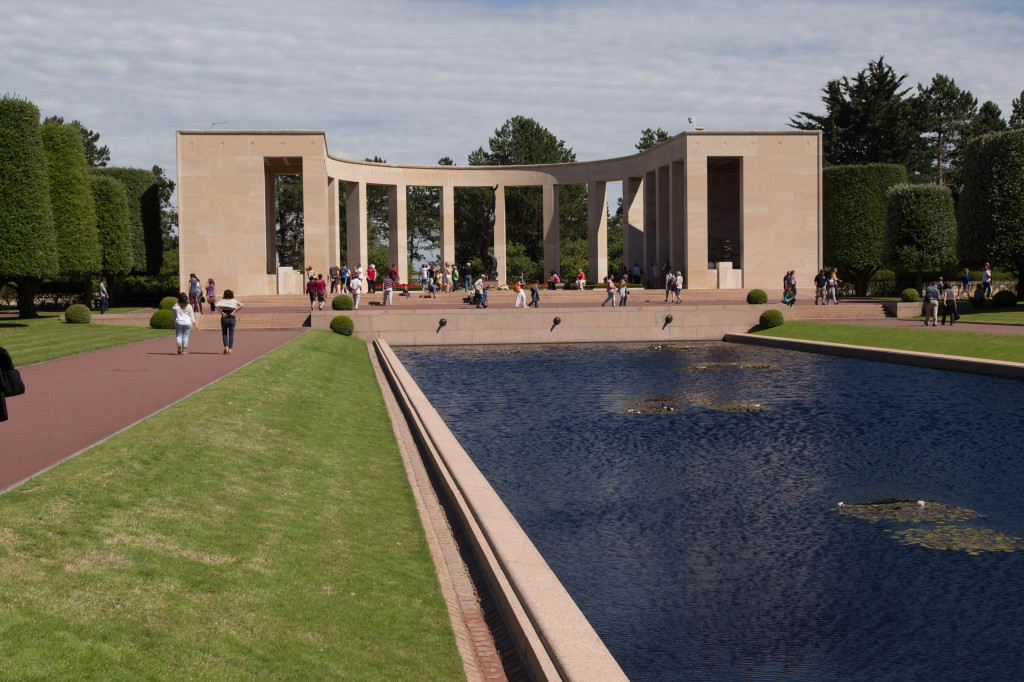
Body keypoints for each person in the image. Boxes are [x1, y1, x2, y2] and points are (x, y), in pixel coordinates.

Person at [216, 289, 243, 354]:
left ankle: (226, 347)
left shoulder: (222, 301)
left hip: (224, 317)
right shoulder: (234, 301)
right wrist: (234, 311)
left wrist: (222, 312)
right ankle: (230, 349)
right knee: (231, 334)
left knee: (224, 333)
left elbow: (216, 305)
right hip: (232, 317)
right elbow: (241, 305)